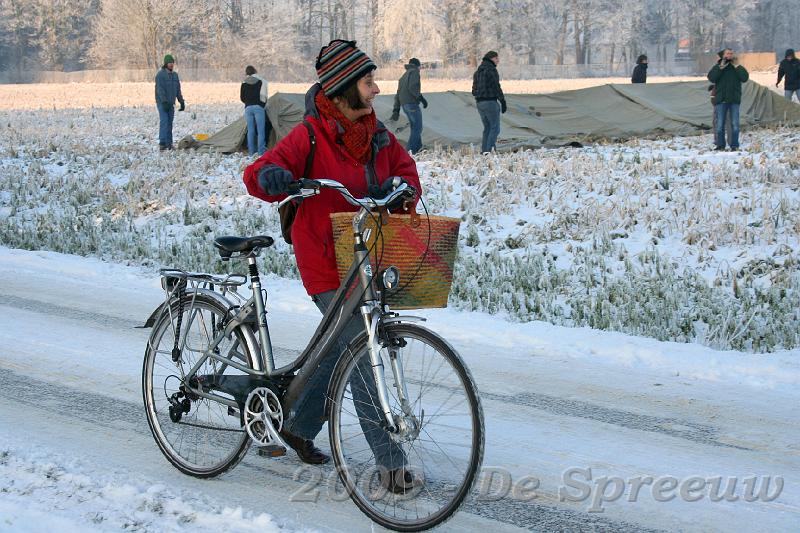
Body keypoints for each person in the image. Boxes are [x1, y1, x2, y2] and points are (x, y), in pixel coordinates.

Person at [242, 39, 422, 491]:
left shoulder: (378, 135)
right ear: (344, 87)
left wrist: (403, 187)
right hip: (325, 258)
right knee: (360, 349)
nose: (377, 89)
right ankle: (391, 463)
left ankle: (297, 425)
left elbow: (408, 170)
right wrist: (272, 178)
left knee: (337, 347)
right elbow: (259, 172)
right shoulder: (309, 135)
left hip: (368, 256)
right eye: (368, 81)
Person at [707, 48, 748, 151]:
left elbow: (745, 78)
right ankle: (720, 145)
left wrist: (737, 66)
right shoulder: (718, 66)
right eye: (727, 53)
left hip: (734, 100)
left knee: (735, 124)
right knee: (720, 125)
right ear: (723, 55)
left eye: (731, 53)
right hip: (721, 100)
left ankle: (734, 145)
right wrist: (720, 67)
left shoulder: (736, 67)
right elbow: (711, 78)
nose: (730, 55)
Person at [390, 57, 428, 154]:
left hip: (404, 105)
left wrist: (396, 110)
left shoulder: (403, 76)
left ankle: (418, 148)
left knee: (415, 127)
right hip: (412, 104)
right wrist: (421, 98)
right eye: (420, 67)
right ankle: (410, 152)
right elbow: (413, 87)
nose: (420, 69)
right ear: (417, 66)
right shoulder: (414, 72)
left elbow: (398, 94)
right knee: (417, 128)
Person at [471, 51, 506, 153]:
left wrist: (480, 95)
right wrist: (502, 101)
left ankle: (485, 151)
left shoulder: (478, 72)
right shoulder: (491, 70)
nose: (498, 61)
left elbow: (473, 91)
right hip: (490, 102)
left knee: (487, 128)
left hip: (479, 103)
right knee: (495, 128)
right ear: (491, 59)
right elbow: (496, 87)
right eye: (496, 58)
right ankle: (489, 152)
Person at [154, 54, 185, 151]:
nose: (171, 64)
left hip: (171, 103)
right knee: (164, 121)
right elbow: (160, 90)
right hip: (162, 103)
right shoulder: (160, 75)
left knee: (170, 123)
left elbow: (177, 90)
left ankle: (169, 143)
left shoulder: (175, 75)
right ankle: (162, 143)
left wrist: (181, 101)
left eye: (172, 63)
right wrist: (164, 102)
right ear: (166, 64)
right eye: (169, 63)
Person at [240, 65, 269, 155]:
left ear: (246, 73)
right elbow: (264, 96)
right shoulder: (261, 81)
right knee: (261, 131)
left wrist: (248, 103)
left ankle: (251, 152)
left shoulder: (243, 83)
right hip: (259, 107)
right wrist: (262, 105)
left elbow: (242, 97)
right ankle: (261, 152)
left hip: (248, 108)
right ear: (255, 71)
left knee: (250, 130)